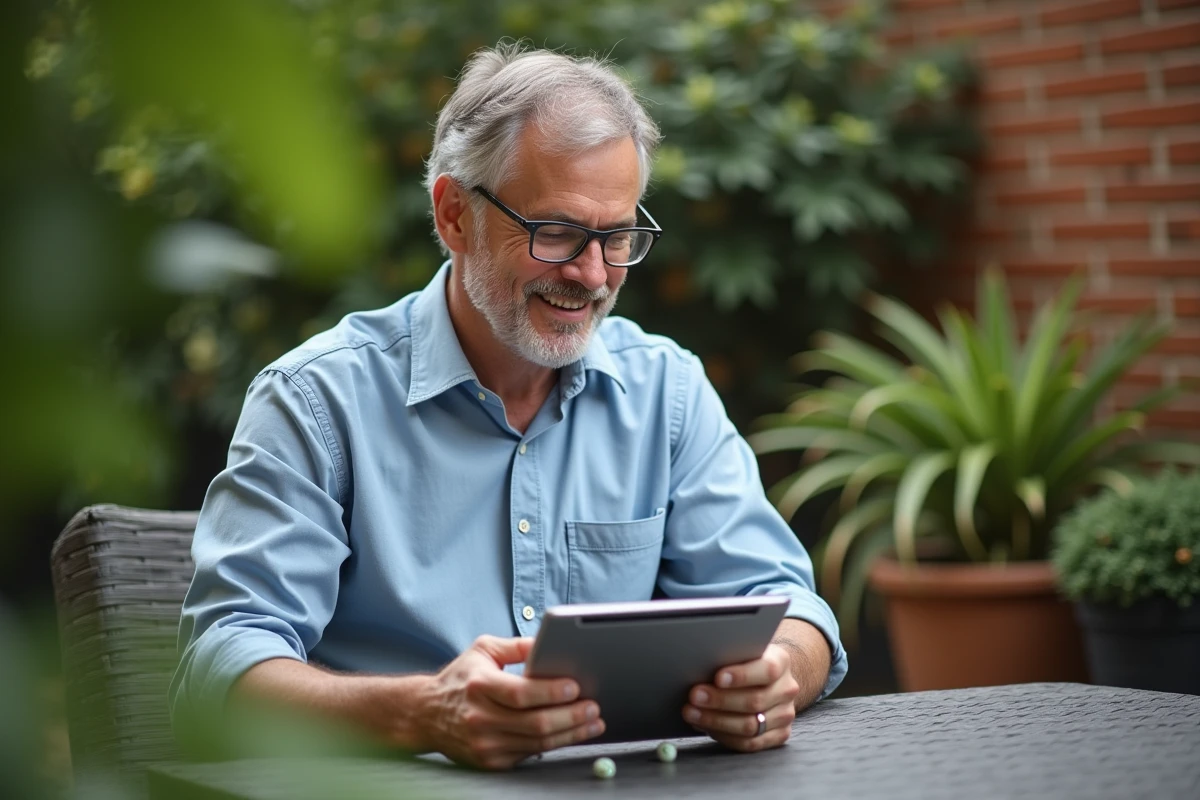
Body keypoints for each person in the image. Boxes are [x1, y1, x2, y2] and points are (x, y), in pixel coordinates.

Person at [170, 43, 847, 770]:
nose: (591, 275)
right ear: (456, 215)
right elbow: (219, 673)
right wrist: (425, 712)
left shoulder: (666, 394)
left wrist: (778, 674)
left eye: (616, 237)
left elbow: (791, 609)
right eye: (557, 233)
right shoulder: (316, 401)